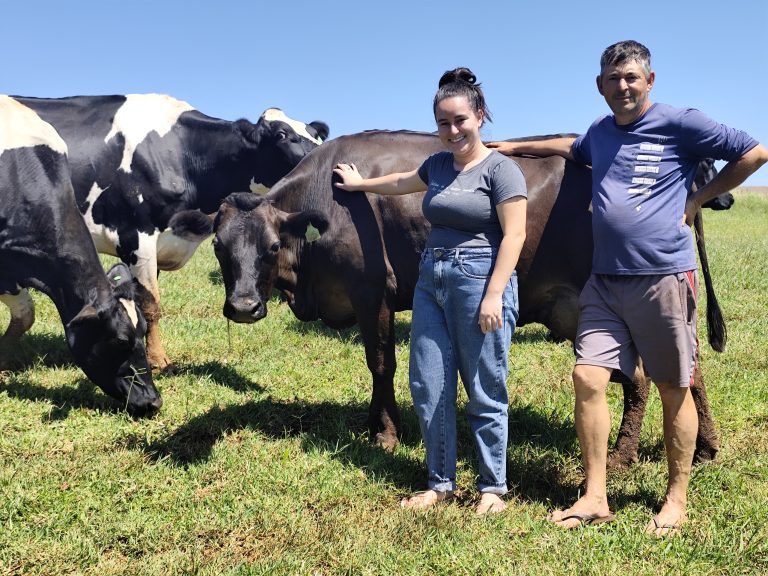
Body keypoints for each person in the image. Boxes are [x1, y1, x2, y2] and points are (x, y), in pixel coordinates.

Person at [489, 40, 768, 535]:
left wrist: (699, 198)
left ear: (649, 81)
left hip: (662, 277)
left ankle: (676, 498)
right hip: (604, 280)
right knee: (587, 378)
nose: (623, 86)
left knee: (673, 387)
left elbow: (754, 152)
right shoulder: (600, 132)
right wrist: (511, 147)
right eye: (614, 79)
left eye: (632, 77)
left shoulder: (680, 122)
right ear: (600, 86)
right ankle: (595, 496)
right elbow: (570, 145)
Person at [333, 67, 528, 515]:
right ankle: (440, 483)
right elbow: (402, 181)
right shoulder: (439, 165)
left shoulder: (501, 170)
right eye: (443, 123)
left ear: (479, 116)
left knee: (484, 385)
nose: (452, 130)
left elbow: (515, 235)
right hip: (431, 280)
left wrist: (494, 294)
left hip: (480, 279)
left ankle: (492, 488)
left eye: (460, 120)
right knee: (428, 383)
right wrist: (361, 184)